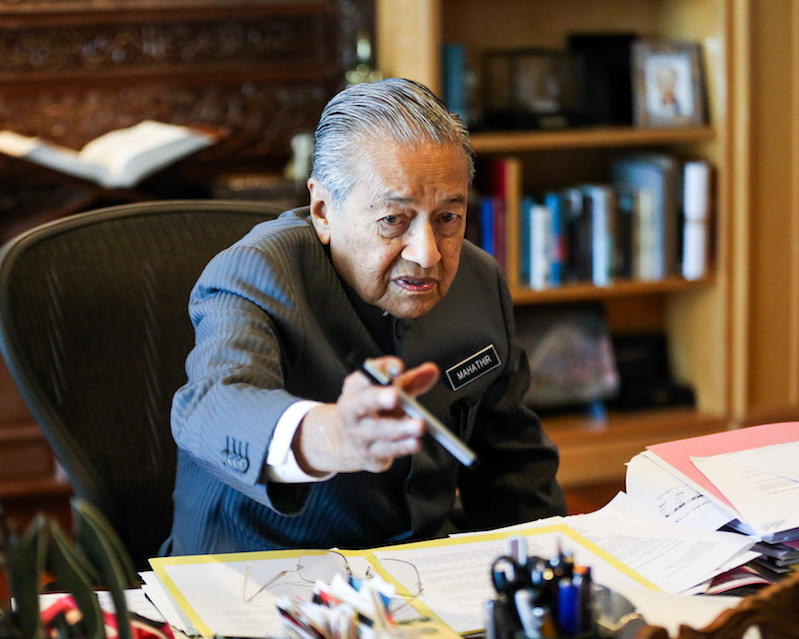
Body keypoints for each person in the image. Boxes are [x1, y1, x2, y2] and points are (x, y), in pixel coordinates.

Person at [164, 78, 567, 556]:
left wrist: (560, 577)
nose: (427, 255)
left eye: (447, 218)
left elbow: (514, 468)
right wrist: (333, 436)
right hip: (258, 578)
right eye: (393, 220)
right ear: (322, 211)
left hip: (417, 583)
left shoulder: (480, 281)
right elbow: (211, 406)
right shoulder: (256, 271)